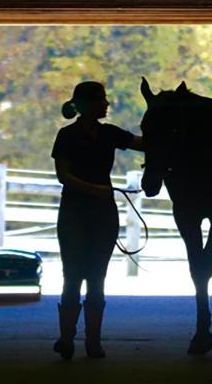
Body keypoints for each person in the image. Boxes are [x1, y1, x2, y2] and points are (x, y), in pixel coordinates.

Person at [51, 80, 144, 359]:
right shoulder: (66, 136)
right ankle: (74, 339)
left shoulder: (109, 134)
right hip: (80, 212)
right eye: (101, 100)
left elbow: (142, 143)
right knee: (74, 276)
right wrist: (94, 190)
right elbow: (62, 175)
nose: (106, 104)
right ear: (88, 105)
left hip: (95, 212)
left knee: (95, 276)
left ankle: (86, 340)